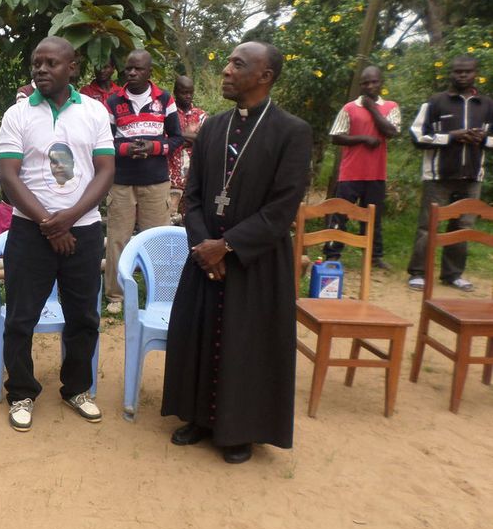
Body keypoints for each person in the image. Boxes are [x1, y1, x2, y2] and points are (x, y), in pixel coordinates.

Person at [162, 41, 312, 465]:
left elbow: (283, 206)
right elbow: (191, 196)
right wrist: (204, 246)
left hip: (255, 261)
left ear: (264, 76)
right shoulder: (213, 128)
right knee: (200, 333)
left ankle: (240, 429)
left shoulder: (292, 132)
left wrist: (226, 247)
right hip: (204, 256)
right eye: (227, 61)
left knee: (247, 344)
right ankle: (198, 417)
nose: (226, 70)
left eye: (237, 64)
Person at [0, 36, 116, 432]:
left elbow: (105, 171)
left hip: (82, 232)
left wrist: (69, 219)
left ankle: (77, 388)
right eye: (36, 63)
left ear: (73, 67)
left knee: (84, 316)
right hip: (30, 233)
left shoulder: (95, 112)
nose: (41, 69)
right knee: (20, 317)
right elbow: (9, 177)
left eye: (50, 63)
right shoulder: (17, 114)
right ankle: (22, 392)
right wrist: (51, 225)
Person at [102, 49, 183, 314]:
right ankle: (115, 296)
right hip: (122, 181)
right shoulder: (114, 102)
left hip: (155, 181)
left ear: (149, 72)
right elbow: (104, 142)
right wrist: (127, 150)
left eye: (138, 69)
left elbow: (176, 138)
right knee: (117, 238)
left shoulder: (165, 99)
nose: (132, 73)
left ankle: (159, 293)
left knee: (155, 239)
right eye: (128, 69)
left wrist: (153, 148)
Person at [406, 55, 493, 292]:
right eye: (457, 72)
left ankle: (453, 274)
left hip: (472, 176)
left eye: (467, 72)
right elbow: (417, 136)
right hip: (439, 176)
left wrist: (483, 139)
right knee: (428, 225)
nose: (462, 76)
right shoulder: (435, 102)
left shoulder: (486, 104)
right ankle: (418, 273)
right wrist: (452, 136)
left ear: (476, 73)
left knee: (463, 225)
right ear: (451, 73)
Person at [323, 65, 401, 269]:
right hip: (350, 172)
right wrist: (363, 139)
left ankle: (374, 257)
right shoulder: (349, 108)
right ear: (360, 85)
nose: (370, 86)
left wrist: (372, 108)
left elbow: (392, 132)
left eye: (374, 81)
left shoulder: (391, 107)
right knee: (340, 213)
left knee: (373, 217)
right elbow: (336, 137)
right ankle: (332, 254)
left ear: (381, 82)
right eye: (366, 83)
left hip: (376, 173)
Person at [168, 75, 207, 224]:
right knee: (168, 222)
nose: (188, 96)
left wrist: (177, 136)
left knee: (191, 222)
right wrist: (190, 137)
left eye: (191, 92)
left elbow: (205, 139)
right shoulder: (168, 114)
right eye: (184, 92)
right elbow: (164, 140)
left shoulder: (201, 115)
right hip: (170, 178)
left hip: (194, 179)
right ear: (175, 92)